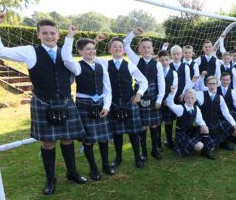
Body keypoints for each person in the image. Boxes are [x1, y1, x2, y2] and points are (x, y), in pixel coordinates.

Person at [0, 12, 87, 195]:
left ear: (58, 35)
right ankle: (50, 180)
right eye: (45, 33)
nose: (49, 36)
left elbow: (72, 71)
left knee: (67, 139)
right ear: (38, 35)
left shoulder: (65, 51)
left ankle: (72, 173)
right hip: (43, 103)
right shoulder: (30, 51)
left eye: (53, 33)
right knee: (48, 143)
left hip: (65, 101)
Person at [61, 29, 115, 180]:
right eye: (87, 49)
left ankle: (105, 164)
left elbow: (107, 89)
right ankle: (93, 169)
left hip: (101, 103)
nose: (91, 51)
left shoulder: (101, 66)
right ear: (80, 52)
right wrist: (69, 37)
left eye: (93, 48)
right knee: (88, 139)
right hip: (84, 103)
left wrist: (106, 106)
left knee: (104, 138)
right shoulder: (77, 66)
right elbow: (66, 59)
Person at [105, 37, 148, 169]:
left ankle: (137, 157)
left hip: (129, 102)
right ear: (109, 50)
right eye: (114, 46)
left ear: (123, 50)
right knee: (117, 133)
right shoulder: (105, 64)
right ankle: (118, 158)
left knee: (133, 132)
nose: (117, 48)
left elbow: (143, 81)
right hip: (113, 103)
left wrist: (139, 94)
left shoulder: (130, 65)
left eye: (120, 46)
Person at [123, 27, 165, 161]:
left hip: (153, 93)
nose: (146, 50)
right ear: (139, 49)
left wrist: (159, 99)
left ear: (152, 49)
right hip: (139, 93)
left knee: (153, 124)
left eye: (149, 47)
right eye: (143, 47)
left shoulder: (157, 64)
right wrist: (133, 34)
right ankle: (144, 152)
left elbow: (161, 83)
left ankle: (154, 150)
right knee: (142, 124)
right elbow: (125, 44)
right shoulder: (136, 60)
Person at [166, 88, 216, 160]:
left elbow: (200, 121)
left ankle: (205, 151)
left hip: (190, 132)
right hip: (181, 135)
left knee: (205, 128)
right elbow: (169, 104)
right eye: (187, 98)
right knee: (200, 146)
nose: (190, 100)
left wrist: (204, 127)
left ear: (195, 99)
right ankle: (184, 148)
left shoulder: (196, 108)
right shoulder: (180, 108)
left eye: (192, 98)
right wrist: (171, 93)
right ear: (184, 99)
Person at [195, 76, 236, 151]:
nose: (212, 86)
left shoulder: (220, 97)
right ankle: (216, 142)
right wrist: (185, 94)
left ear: (217, 84)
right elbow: (189, 92)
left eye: (214, 84)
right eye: (210, 84)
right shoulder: (200, 94)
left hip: (216, 122)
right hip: (205, 124)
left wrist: (233, 123)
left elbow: (226, 113)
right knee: (211, 148)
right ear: (206, 85)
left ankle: (223, 143)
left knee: (235, 129)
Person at [158, 51, 178, 150]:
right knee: (157, 122)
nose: (164, 62)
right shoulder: (157, 71)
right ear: (159, 61)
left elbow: (175, 87)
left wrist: (169, 100)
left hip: (168, 101)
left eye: (166, 60)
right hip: (158, 101)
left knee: (169, 121)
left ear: (169, 60)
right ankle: (157, 143)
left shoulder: (174, 73)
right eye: (162, 60)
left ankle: (169, 140)